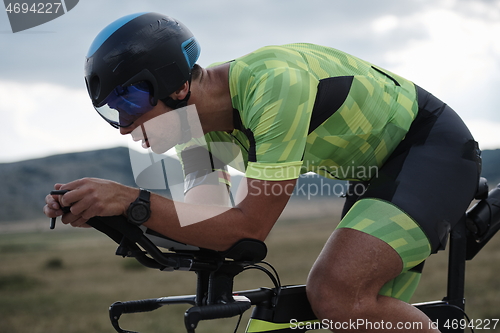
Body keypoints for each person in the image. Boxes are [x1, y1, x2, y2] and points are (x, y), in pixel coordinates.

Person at [44, 12, 482, 332]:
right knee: (363, 319)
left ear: (178, 86)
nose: (125, 124)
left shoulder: (274, 88)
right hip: (376, 176)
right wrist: (111, 215)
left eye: (132, 102)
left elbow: (248, 228)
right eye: (112, 111)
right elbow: (200, 225)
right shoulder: (199, 135)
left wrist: (131, 198)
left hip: (432, 151)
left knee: (334, 292)